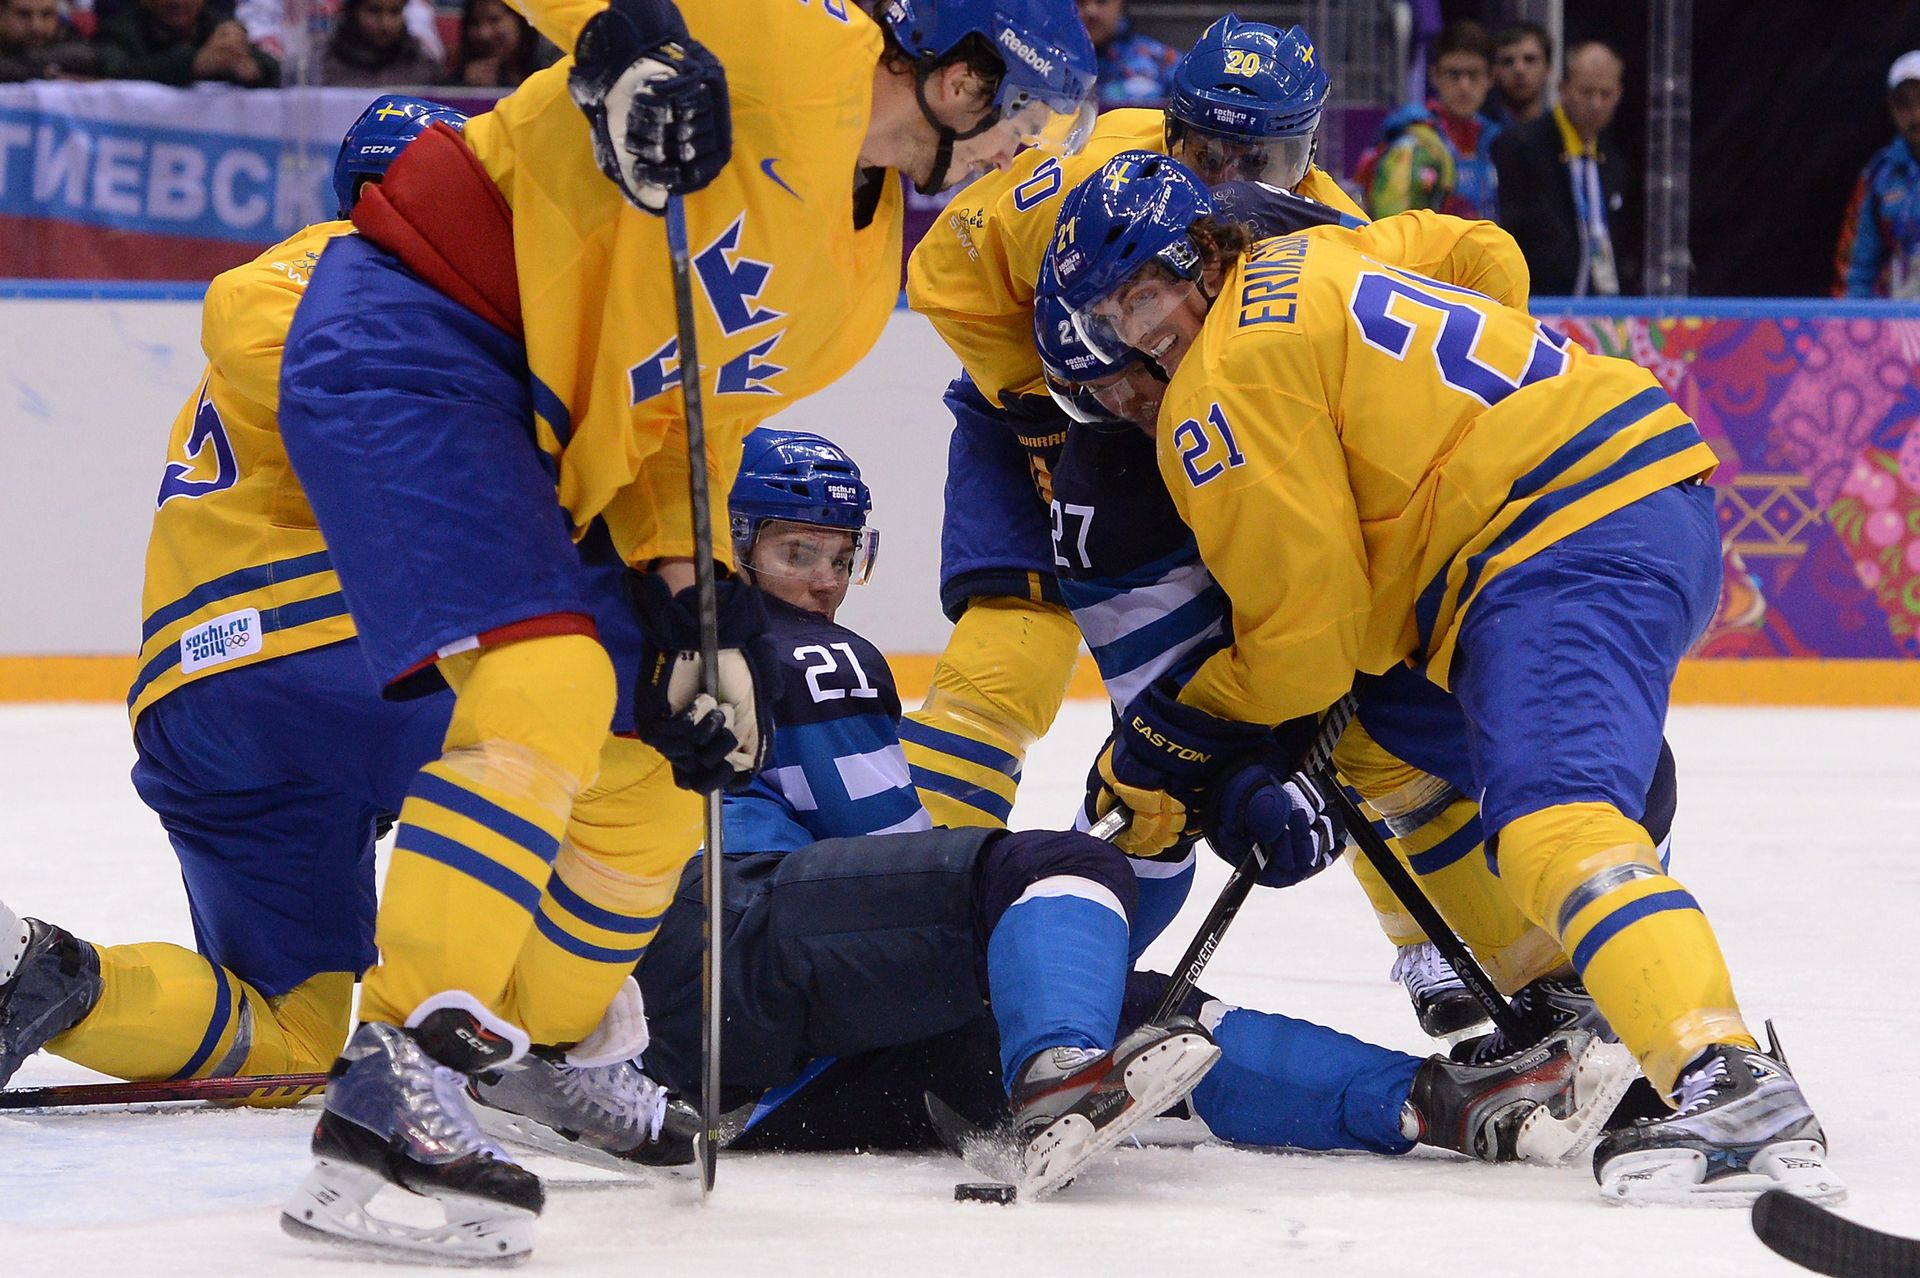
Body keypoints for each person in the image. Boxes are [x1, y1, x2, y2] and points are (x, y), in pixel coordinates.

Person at [270, 0, 1097, 1261]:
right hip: (423, 329)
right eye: (1024, 118)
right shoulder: (796, 38)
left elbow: (681, 414)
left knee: (664, 760)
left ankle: (543, 1043)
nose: (1020, 155)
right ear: (963, 75)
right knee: (545, 683)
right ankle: (397, 1068)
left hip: (560, 430)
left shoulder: (857, 282)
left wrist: (689, 592)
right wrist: (624, 45)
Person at [1044, 151, 1844, 1206]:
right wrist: (1441, 426)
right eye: (1115, 318)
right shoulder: (1324, 251)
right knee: (1376, 738)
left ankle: (1722, 1071)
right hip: (1605, 499)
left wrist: (1185, 727)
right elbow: (1483, 254)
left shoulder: (1215, 384)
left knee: (1556, 821)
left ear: (1195, 258)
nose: (1135, 342)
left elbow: (1306, 642)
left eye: (1141, 301)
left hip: (1551, 543)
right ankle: (1562, 994)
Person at [624, 426, 1630, 1187]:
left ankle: (1446, 1105)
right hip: (743, 955)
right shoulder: (803, 651)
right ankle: (1061, 1074)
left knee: (1147, 1022)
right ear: (730, 544)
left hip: (748, 1078)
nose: (827, 584)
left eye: (842, 557)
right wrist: (1109, 858)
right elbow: (898, 854)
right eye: (798, 552)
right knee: (1049, 880)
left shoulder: (650, 636)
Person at [901, 13, 1358, 839]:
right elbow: (946, 272)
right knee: (1013, 645)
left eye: (1262, 161)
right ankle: (907, 881)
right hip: (1039, 414)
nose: (1227, 181)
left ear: (1311, 151)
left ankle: (1442, 943)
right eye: (1206, 152)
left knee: (1333, 715)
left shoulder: (1330, 233)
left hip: (1189, 437)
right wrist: (1037, 413)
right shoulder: (1096, 171)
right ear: (1169, 126)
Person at [1492, 38, 1630, 296]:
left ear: (1619, 94)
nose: (1596, 104)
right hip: (1537, 305)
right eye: (1586, 92)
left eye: (1606, 93)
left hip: (1598, 313)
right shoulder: (1522, 146)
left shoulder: (1614, 159)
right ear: (1562, 89)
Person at [1359, 19, 1500, 220]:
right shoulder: (1411, 140)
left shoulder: (1497, 139)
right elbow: (1395, 228)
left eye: (1474, 74)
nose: (1464, 86)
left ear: (1490, 78)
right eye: (1454, 74)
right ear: (1434, 76)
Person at [1834, 50, 1920, 299]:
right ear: (1892, 109)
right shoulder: (1880, 176)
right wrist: (1848, 328)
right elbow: (1857, 269)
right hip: (1903, 320)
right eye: (1905, 103)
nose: (1916, 114)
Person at [94, 0, 277, 85]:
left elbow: (273, 68)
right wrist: (195, 64)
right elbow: (116, 72)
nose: (178, 2)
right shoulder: (119, 29)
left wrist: (253, 70)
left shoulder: (215, 24)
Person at [1076, 0, 1176, 110]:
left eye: (1102, 1)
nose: (1091, 12)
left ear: (1121, 3)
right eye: (1079, 2)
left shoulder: (1163, 60)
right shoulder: (1054, 65)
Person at [319, 0, 446, 86]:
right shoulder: (322, 66)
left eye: (394, 12)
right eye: (374, 11)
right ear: (353, 12)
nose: (386, 24)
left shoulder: (423, 67)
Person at [452, 0, 547, 88]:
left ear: (521, 19)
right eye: (475, 23)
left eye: (494, 20)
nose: (484, 34)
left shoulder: (550, 61)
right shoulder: (462, 76)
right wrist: (465, 89)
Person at [0, 0, 101, 80]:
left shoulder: (65, 33)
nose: (37, 26)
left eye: (46, 14)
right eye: (23, 14)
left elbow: (86, 56)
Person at [1489, 20, 1551, 128]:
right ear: (1494, 72)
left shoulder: (1560, 132)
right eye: (1507, 61)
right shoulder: (1480, 133)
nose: (1519, 69)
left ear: (1548, 69)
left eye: (1529, 60)